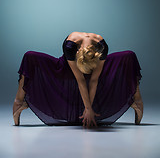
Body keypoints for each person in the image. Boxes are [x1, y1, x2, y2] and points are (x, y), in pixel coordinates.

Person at [13, 31, 143, 129]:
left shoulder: (101, 47)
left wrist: (89, 109)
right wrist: (88, 108)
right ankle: (19, 101)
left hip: (93, 66)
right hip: (67, 69)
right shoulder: (70, 47)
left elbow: (94, 80)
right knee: (30, 56)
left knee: (128, 56)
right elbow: (80, 80)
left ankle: (135, 99)